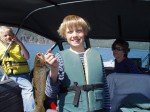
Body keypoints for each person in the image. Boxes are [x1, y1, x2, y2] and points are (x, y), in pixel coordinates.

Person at [44, 15, 111, 112]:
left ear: (85, 32)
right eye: (70, 32)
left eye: (79, 31)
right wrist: (54, 68)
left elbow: (105, 88)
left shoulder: (97, 56)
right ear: (64, 34)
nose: (75, 35)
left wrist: (108, 109)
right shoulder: (59, 58)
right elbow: (51, 93)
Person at [0, 26, 35, 112]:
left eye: (10, 35)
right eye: (5, 35)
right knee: (28, 88)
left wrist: (20, 43)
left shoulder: (17, 45)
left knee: (34, 87)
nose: (8, 37)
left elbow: (27, 56)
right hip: (13, 75)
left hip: (25, 74)